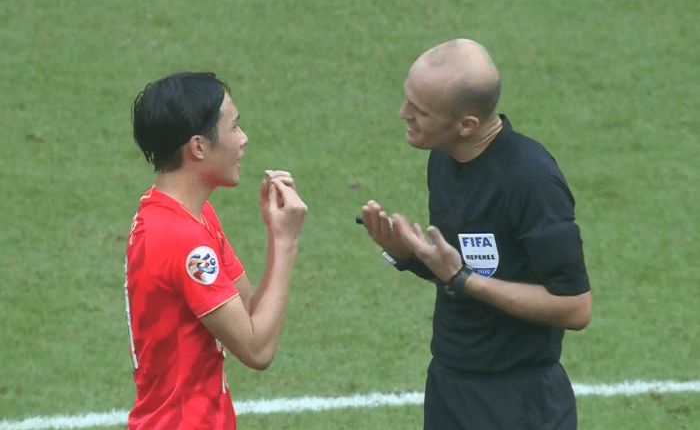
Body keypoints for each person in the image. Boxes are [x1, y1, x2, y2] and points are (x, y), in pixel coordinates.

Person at [361, 39, 592, 429]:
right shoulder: (443, 159)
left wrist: (462, 278)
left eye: (419, 110)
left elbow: (576, 308)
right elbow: (463, 270)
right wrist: (408, 256)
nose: (403, 114)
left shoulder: (531, 179)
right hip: (449, 387)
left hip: (519, 403)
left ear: (466, 124)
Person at [125, 72, 307, 429]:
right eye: (234, 127)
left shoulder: (186, 214)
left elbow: (250, 314)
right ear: (198, 147)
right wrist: (287, 242)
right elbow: (257, 350)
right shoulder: (181, 239)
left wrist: (276, 233)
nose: (243, 138)